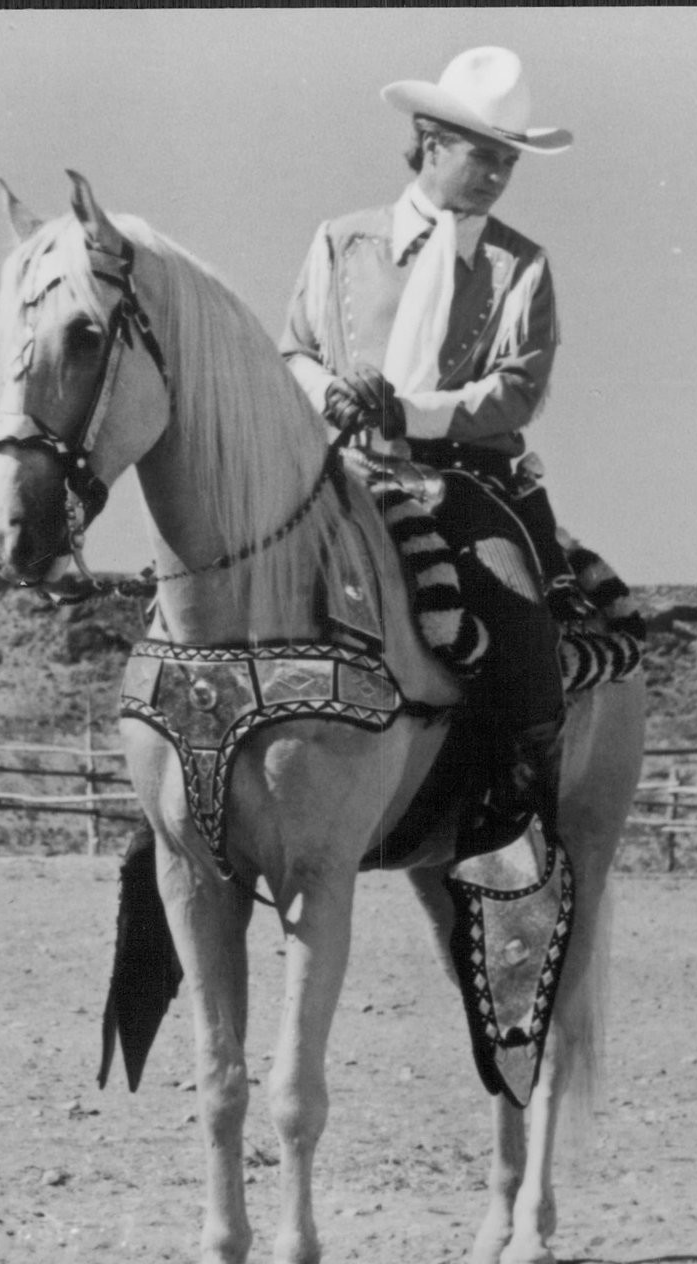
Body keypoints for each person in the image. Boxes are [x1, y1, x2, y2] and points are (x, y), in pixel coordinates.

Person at [280, 46, 577, 836]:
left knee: (519, 614)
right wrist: (333, 392)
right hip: (335, 464)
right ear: (430, 141)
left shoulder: (522, 266)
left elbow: (519, 387)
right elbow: (295, 348)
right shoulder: (341, 242)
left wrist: (408, 413)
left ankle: (518, 805)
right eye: (482, 156)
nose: (495, 176)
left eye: (506, 163)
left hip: (461, 481)